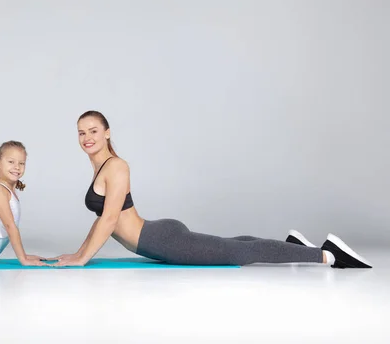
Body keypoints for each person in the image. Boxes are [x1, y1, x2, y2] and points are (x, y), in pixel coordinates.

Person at [49, 111, 372, 269]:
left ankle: (329, 255)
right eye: (81, 133)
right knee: (231, 244)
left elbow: (108, 221)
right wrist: (79, 253)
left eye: (93, 131)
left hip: (161, 240)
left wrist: (81, 261)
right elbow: (101, 217)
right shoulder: (100, 166)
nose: (86, 137)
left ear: (107, 133)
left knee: (236, 254)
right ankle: (294, 245)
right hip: (157, 234)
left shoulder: (117, 166)